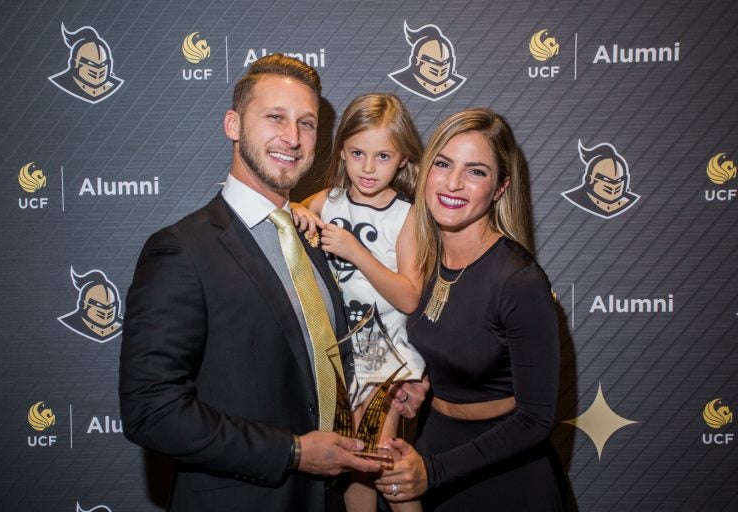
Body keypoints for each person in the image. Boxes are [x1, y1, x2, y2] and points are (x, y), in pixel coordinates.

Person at [118, 54, 426, 512]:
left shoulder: (314, 237)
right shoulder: (182, 250)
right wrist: (295, 453)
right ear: (234, 125)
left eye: (306, 123)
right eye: (275, 118)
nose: (293, 137)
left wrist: (391, 384)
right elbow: (152, 411)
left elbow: (321, 361)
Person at [373, 108, 568, 511]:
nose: (453, 183)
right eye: (443, 164)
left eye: (476, 171)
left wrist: (435, 471)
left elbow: (535, 420)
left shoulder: (519, 281)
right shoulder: (422, 264)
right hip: (432, 447)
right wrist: (420, 384)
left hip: (503, 477)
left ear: (500, 188)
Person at [294, 93, 425, 512]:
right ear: (342, 152)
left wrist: (356, 252)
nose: (368, 168)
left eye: (383, 155)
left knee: (382, 457)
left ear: (403, 158)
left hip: (384, 349)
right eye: (357, 153)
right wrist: (298, 211)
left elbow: (408, 296)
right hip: (338, 350)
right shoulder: (326, 202)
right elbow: (293, 209)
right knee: (353, 460)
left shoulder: (407, 215)